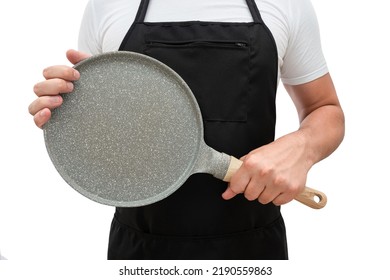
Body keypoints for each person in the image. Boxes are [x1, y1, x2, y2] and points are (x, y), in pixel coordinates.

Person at [28, 0, 345, 259]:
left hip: (254, 252)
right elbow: (108, 134)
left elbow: (325, 110)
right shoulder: (108, 6)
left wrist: (302, 147)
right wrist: (63, 112)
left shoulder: (286, 5)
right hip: (139, 253)